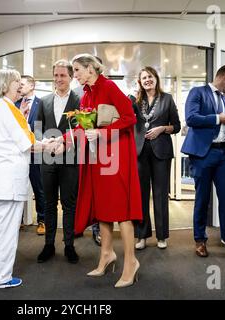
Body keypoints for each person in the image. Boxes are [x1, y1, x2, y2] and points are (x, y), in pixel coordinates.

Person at [56, 53, 143, 287]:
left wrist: (104, 132)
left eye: (76, 70)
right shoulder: (85, 94)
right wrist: (62, 140)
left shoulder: (109, 87)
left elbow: (129, 117)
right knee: (103, 206)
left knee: (121, 209)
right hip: (97, 157)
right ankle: (107, 254)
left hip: (117, 156)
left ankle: (131, 262)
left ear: (91, 69)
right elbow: (83, 129)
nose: (74, 75)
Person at [0, 69, 50, 289]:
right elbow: (29, 144)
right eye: (17, 81)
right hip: (6, 177)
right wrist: (52, 144)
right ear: (6, 84)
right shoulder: (10, 110)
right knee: (6, 229)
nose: (21, 85)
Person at [181, 64, 225, 264]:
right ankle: (200, 240)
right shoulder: (198, 92)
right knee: (202, 200)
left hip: (224, 156)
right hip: (203, 155)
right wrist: (216, 118)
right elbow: (191, 118)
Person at [35, 60, 80, 264]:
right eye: (55, 75)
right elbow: (37, 128)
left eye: (62, 75)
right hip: (47, 157)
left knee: (69, 204)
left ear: (70, 77)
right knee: (49, 203)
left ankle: (69, 245)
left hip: (70, 158)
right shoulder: (43, 101)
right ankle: (49, 245)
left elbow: (83, 128)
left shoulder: (80, 100)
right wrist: (45, 143)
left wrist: (66, 143)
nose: (58, 79)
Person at [133, 67, 181, 250]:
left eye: (150, 77)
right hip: (140, 152)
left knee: (160, 195)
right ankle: (142, 235)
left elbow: (176, 126)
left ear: (156, 78)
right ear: (140, 81)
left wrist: (162, 129)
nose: (147, 80)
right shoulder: (136, 101)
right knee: (141, 195)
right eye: (143, 78)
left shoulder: (167, 99)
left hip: (161, 152)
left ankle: (162, 236)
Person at [16, 75, 46, 235]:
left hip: (36, 152)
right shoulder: (13, 104)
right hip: (18, 154)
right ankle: (18, 220)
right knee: (18, 186)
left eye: (22, 84)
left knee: (39, 188)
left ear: (32, 85)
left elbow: (45, 127)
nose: (19, 87)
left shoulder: (41, 103)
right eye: (18, 84)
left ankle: (42, 220)